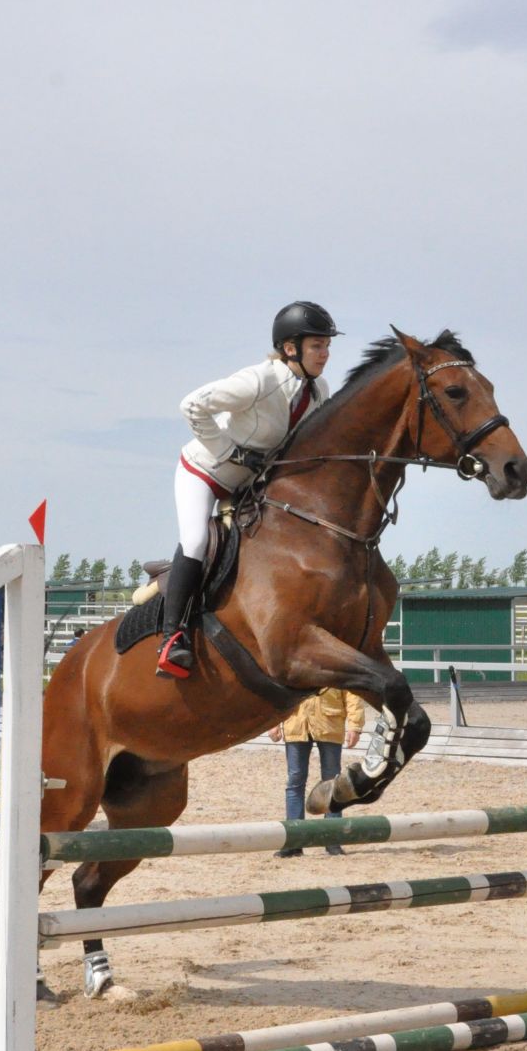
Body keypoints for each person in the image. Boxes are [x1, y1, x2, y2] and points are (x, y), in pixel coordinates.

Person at [160, 301, 341, 679]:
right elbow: (191, 405)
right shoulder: (258, 381)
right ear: (290, 348)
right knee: (195, 541)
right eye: (317, 346)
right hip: (204, 472)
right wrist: (231, 452)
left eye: (327, 346)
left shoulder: (318, 390)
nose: (325, 354)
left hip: (249, 484)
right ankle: (171, 638)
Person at [267, 688, 366, 857]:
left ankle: (333, 838)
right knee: (295, 782)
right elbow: (279, 687)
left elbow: (352, 691)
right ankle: (294, 840)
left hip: (329, 723)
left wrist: (355, 725)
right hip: (297, 722)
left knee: (333, 783)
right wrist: (273, 721)